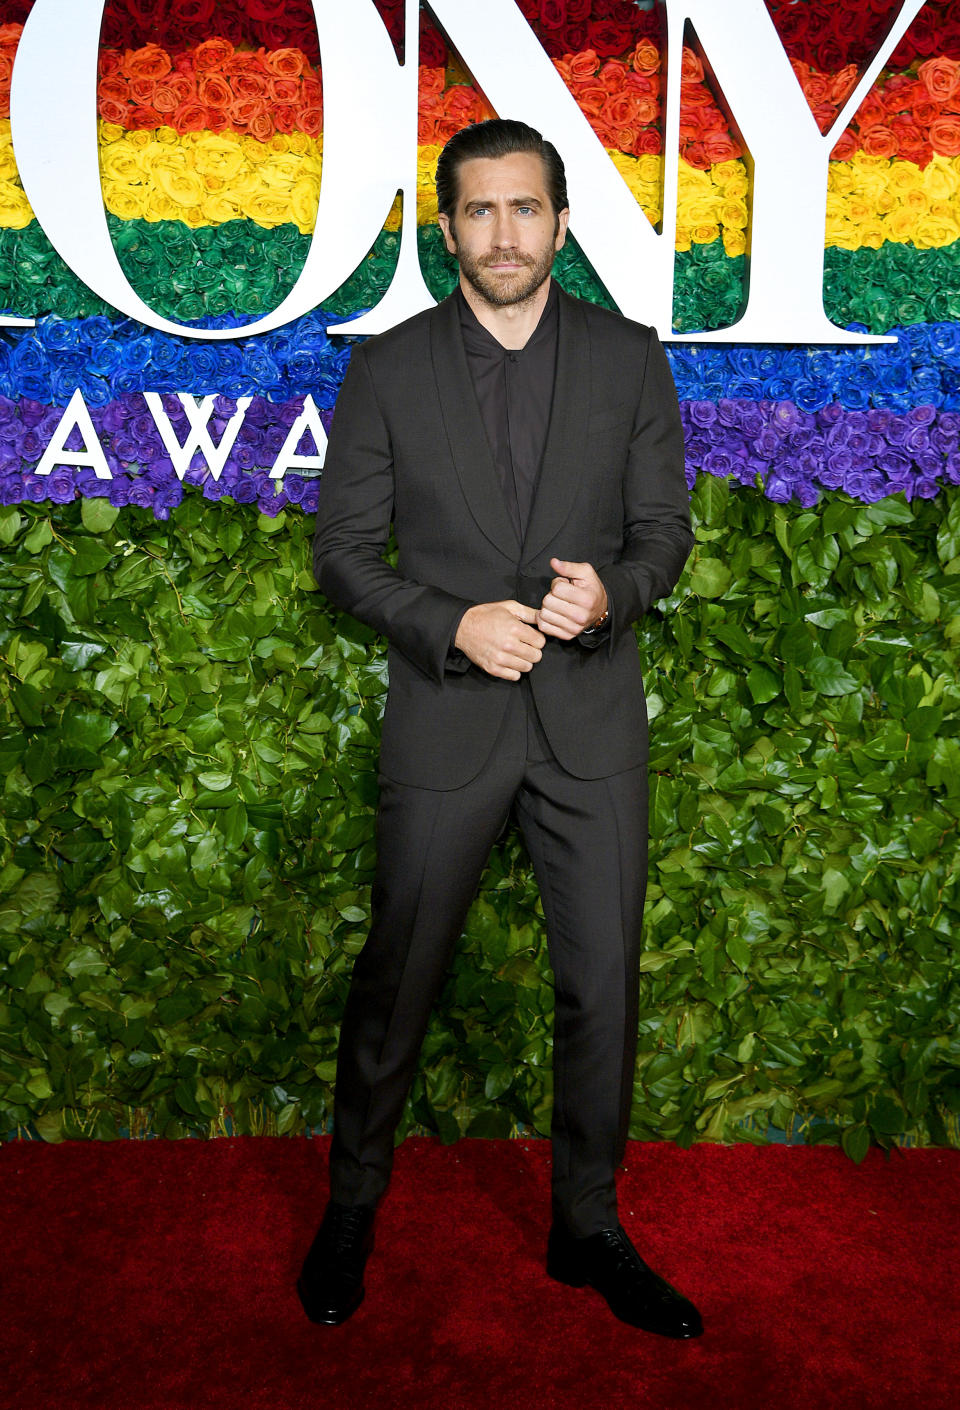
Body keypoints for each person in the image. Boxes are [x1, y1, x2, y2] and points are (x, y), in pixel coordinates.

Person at [298, 118, 699, 1339]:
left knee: (602, 993)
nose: (505, 233)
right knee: (397, 982)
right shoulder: (390, 367)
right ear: (449, 228)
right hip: (447, 723)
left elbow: (662, 536)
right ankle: (353, 1209)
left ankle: (588, 1224)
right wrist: (451, 622)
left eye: (527, 209)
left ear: (563, 224)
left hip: (589, 730)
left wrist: (612, 597)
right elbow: (341, 558)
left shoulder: (630, 360)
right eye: (480, 211)